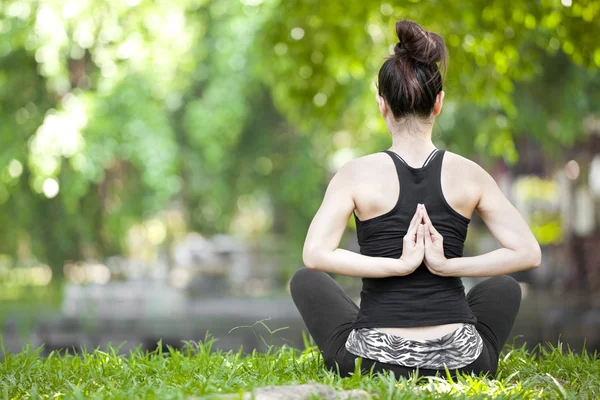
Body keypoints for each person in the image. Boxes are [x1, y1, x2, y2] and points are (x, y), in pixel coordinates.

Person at [289, 20, 541, 379]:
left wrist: (396, 265)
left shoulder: (354, 174)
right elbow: (527, 253)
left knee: (305, 280)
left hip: (373, 361)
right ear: (438, 103)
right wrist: (446, 266)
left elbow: (314, 256)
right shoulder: (470, 173)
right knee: (505, 286)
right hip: (463, 361)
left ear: (382, 104)